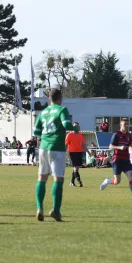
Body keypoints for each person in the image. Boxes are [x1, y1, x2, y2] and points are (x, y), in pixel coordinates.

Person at [32, 88, 76, 222]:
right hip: (57, 148)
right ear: (60, 98)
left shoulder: (43, 112)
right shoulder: (62, 109)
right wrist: (75, 128)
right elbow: (66, 124)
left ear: (49, 98)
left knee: (42, 178)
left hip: (43, 147)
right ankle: (56, 210)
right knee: (58, 179)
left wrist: (45, 136)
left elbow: (36, 131)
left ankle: (40, 208)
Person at [100, 118, 132, 201]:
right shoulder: (116, 134)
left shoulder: (129, 135)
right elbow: (110, 146)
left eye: (127, 124)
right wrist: (119, 147)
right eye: (125, 124)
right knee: (117, 181)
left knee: (131, 176)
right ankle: (107, 181)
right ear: (120, 125)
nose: (126, 126)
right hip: (117, 160)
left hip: (126, 160)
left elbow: (129, 146)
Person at [65, 122, 89, 187]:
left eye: (77, 126)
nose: (77, 127)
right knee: (76, 167)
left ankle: (72, 182)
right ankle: (80, 182)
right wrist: (63, 152)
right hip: (72, 153)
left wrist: (88, 152)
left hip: (79, 152)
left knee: (77, 168)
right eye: (75, 126)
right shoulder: (69, 135)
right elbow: (66, 145)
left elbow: (84, 145)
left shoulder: (80, 135)